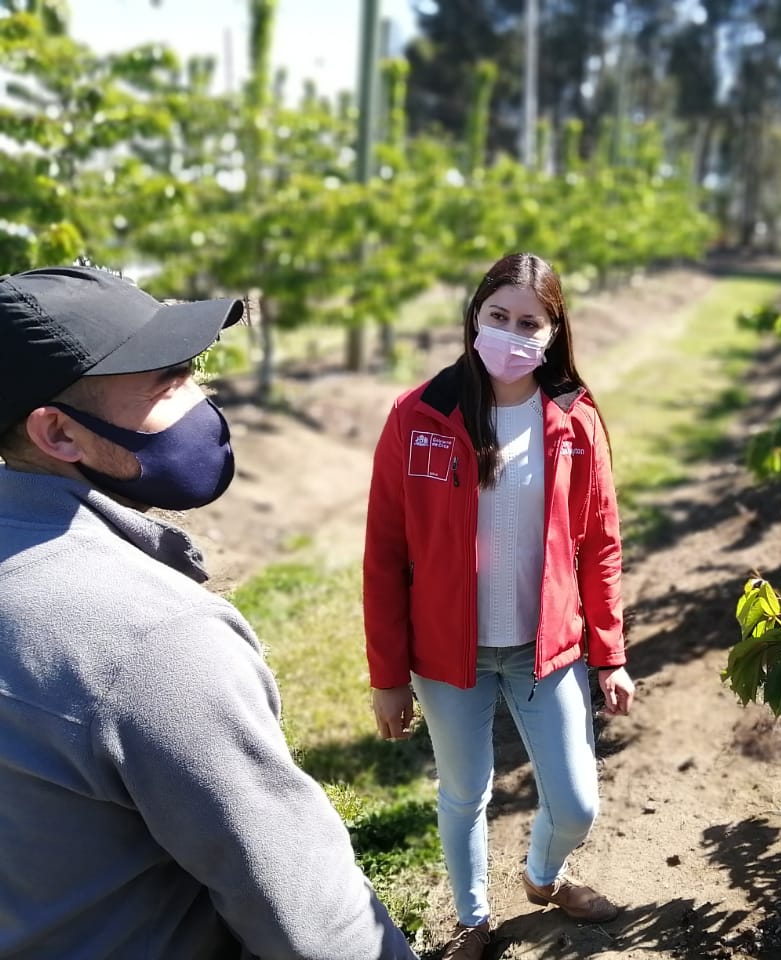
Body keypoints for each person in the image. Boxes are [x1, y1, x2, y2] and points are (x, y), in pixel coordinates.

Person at [0, 266, 418, 959]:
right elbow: (318, 931)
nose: (203, 401)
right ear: (59, 435)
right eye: (168, 380)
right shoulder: (152, 638)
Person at [364, 251, 635, 960]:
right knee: (464, 792)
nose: (512, 334)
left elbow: (600, 544)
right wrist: (388, 674)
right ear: (474, 317)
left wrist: (610, 654)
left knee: (577, 802)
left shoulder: (575, 418)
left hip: (546, 649)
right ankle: (474, 920)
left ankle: (544, 876)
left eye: (530, 322)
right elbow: (385, 554)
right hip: (447, 655)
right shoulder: (419, 416)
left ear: (553, 332)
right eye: (498, 316)